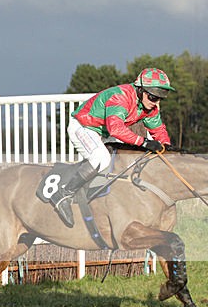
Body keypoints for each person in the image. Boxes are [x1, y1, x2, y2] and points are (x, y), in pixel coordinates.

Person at [49, 67, 174, 227]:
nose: (155, 102)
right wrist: (144, 142)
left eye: (160, 98)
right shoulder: (120, 97)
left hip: (102, 132)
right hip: (83, 127)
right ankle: (63, 195)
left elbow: (158, 131)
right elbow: (116, 129)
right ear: (140, 89)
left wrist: (168, 150)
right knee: (101, 158)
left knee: (126, 160)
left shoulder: (150, 107)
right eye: (152, 96)